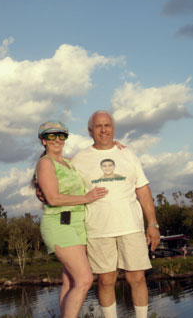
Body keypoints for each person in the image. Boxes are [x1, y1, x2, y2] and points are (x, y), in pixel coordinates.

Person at [71, 110, 160, 318]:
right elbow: (63, 180)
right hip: (98, 229)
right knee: (106, 280)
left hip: (131, 226)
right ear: (90, 130)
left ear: (113, 128)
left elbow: (143, 190)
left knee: (137, 278)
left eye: (107, 125)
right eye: (98, 126)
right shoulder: (79, 159)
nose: (103, 130)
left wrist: (152, 224)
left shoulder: (127, 153)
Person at [32, 120, 108, 318]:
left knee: (70, 281)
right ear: (43, 141)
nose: (57, 140)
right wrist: (86, 198)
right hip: (59, 223)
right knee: (84, 279)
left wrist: (114, 147)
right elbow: (53, 198)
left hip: (77, 223)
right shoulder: (45, 163)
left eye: (61, 135)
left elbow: (94, 155)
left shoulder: (68, 162)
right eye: (51, 136)